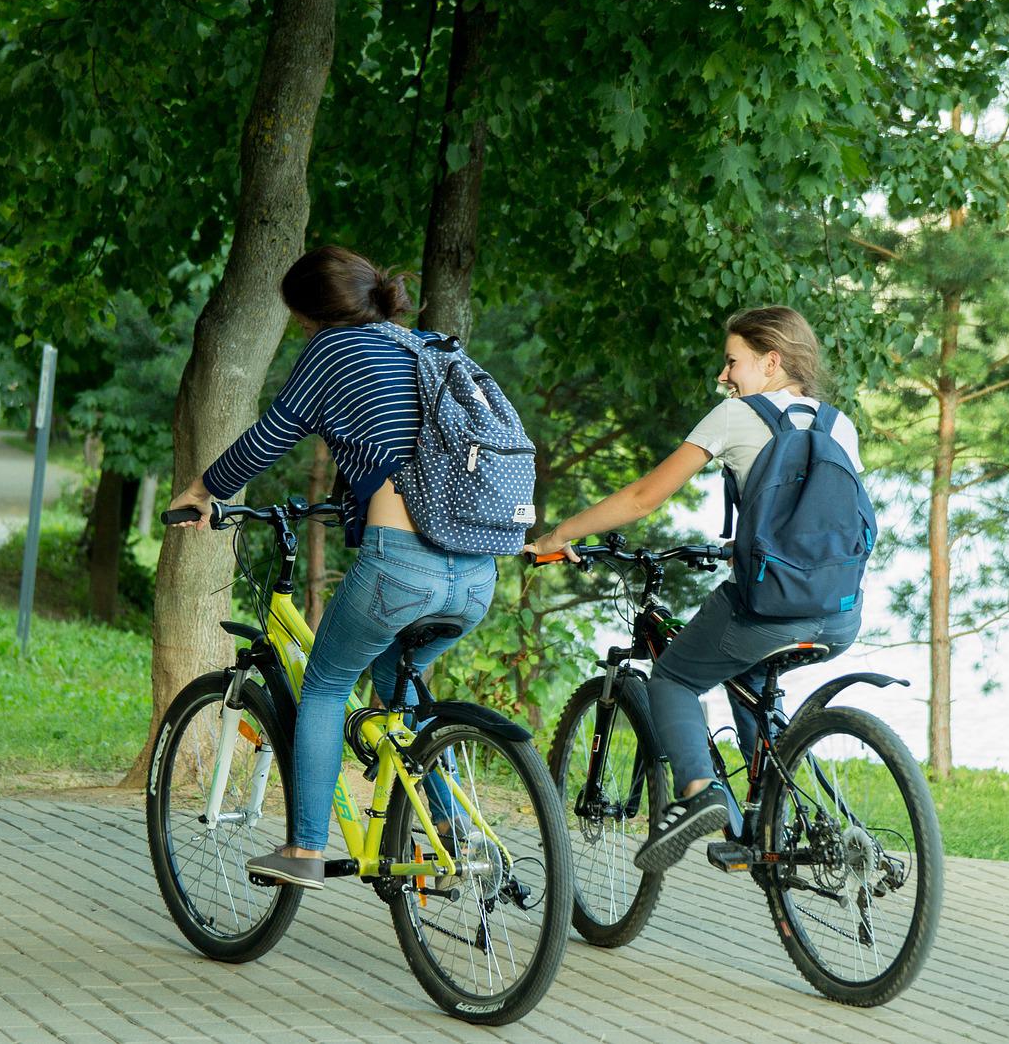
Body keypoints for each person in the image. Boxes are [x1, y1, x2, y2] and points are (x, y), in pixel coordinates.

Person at [166, 245, 496, 890]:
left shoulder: (334, 350)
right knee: (400, 688)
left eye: (297, 317)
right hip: (478, 570)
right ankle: (450, 832)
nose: (298, 329)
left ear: (312, 312)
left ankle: (305, 850)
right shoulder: (426, 347)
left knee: (322, 687)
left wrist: (202, 490)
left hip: (400, 566)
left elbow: (271, 435)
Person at [526, 305, 866, 874]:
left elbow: (642, 497)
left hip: (766, 610)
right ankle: (764, 830)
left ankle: (700, 793)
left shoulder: (735, 417)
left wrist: (557, 535)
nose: (725, 375)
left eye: (733, 361)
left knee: (676, 677)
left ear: (771, 360)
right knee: (749, 678)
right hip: (839, 614)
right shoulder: (841, 425)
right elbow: (824, 526)